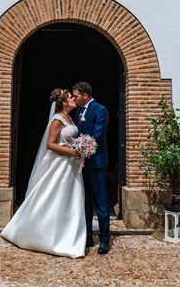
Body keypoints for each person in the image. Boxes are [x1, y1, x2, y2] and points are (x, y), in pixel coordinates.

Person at [0, 89, 86, 258]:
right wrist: (72, 152)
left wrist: (80, 146)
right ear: (63, 103)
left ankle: (68, 232)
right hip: (60, 164)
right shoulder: (57, 120)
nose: (73, 99)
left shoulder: (70, 119)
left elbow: (68, 140)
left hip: (71, 166)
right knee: (52, 196)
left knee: (71, 198)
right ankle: (43, 234)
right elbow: (50, 144)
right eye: (70, 97)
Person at [72, 81, 111, 255]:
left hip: (96, 163)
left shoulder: (100, 110)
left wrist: (79, 148)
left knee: (101, 202)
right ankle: (87, 235)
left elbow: (96, 135)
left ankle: (104, 239)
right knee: (85, 201)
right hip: (82, 164)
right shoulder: (79, 110)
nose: (74, 98)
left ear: (85, 95)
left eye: (76, 96)